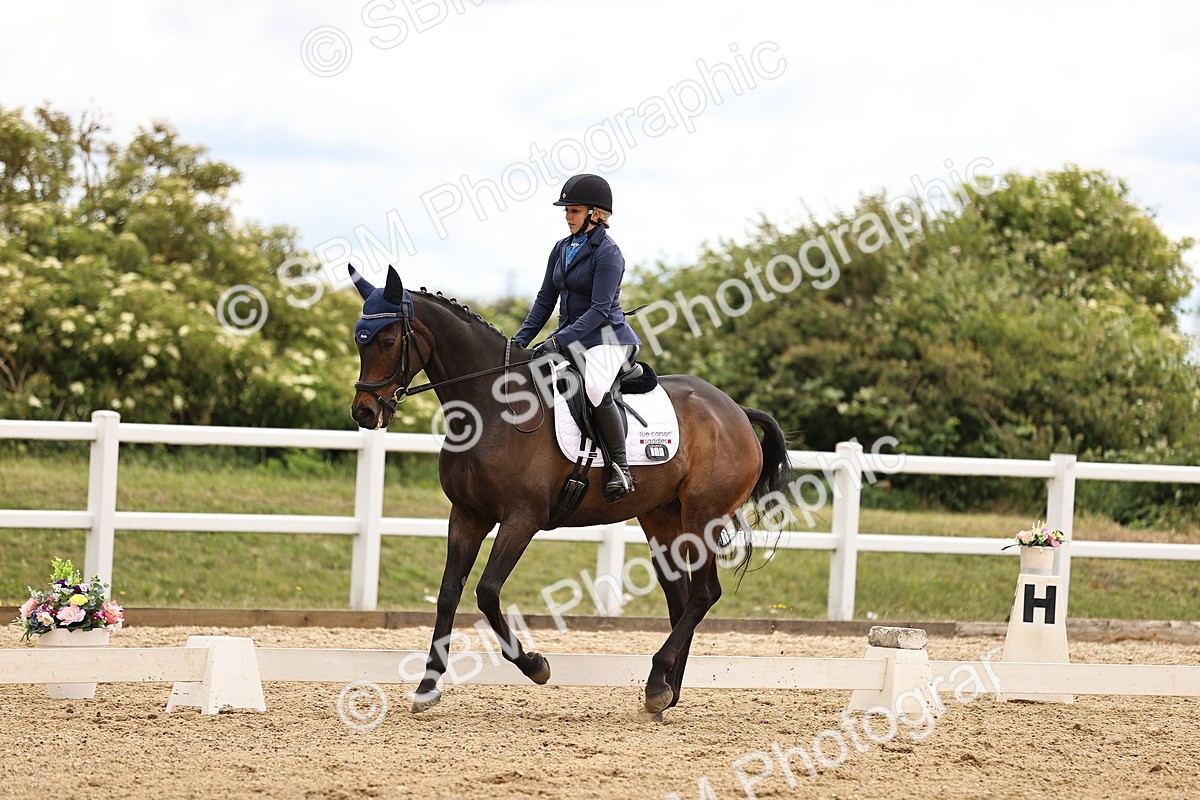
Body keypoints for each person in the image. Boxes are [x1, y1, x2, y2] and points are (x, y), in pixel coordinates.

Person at [513, 174, 641, 501]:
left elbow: (599, 310)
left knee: (596, 387)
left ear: (595, 214)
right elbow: (545, 300)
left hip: (608, 339)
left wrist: (557, 342)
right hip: (572, 337)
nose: (567, 216)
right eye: (566, 210)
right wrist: (519, 342)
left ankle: (620, 468)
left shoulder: (608, 253)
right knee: (530, 376)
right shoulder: (561, 249)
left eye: (574, 210)